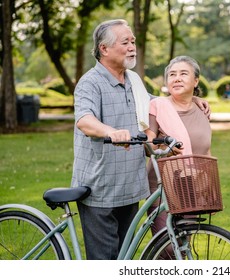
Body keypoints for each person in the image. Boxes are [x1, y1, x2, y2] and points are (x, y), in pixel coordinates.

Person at [71, 20, 209, 260]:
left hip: (130, 186)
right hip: (100, 188)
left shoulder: (133, 80)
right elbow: (84, 120)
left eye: (133, 41)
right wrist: (110, 131)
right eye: (125, 42)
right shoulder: (90, 82)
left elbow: (160, 103)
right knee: (105, 261)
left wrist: (193, 99)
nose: (132, 46)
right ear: (104, 49)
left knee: (123, 258)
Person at [145, 55, 212, 237]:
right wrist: (159, 149)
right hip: (162, 188)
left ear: (196, 81)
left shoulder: (202, 110)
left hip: (193, 187)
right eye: (172, 74)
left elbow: (205, 151)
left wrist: (207, 189)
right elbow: (148, 141)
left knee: (182, 243)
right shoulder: (158, 106)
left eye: (183, 73)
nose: (177, 78)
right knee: (165, 246)